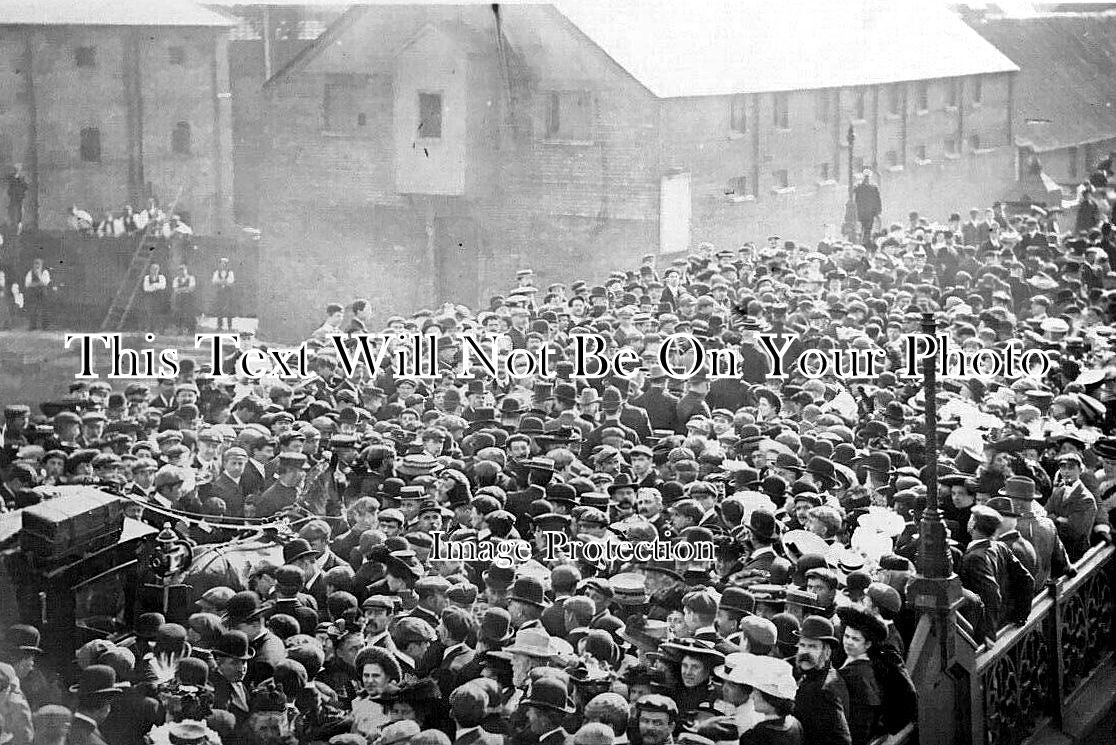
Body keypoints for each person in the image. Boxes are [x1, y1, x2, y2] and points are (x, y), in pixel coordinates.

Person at [853, 170, 881, 248]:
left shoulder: (873, 187)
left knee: (868, 228)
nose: (866, 178)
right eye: (865, 176)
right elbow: (853, 195)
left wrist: (877, 212)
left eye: (868, 177)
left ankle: (865, 242)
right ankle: (862, 241)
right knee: (862, 227)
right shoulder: (859, 186)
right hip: (861, 212)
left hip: (870, 212)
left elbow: (877, 199)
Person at [22, 258, 50, 331]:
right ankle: (33, 326)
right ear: (33, 264)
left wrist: (34, 283)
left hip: (43, 294)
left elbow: (45, 282)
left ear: (41, 264)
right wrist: (38, 284)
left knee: (44, 310)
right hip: (33, 294)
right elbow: (27, 284)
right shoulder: (30, 272)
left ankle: (45, 326)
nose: (37, 265)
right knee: (33, 309)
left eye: (38, 263)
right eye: (35, 263)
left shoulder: (45, 272)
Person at [140, 263, 167, 334]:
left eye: (156, 269)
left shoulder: (161, 277)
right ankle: (151, 329)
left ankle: (160, 330)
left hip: (159, 298)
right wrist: (156, 286)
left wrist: (153, 285)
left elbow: (163, 286)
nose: (154, 270)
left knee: (159, 313)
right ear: (150, 270)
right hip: (150, 298)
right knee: (150, 313)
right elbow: (146, 288)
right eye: (153, 269)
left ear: (158, 270)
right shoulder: (147, 277)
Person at [211, 258, 236, 332]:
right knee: (219, 308)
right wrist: (224, 281)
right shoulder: (216, 272)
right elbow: (214, 282)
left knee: (229, 309)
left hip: (228, 292)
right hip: (220, 292)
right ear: (220, 264)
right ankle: (219, 326)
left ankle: (229, 326)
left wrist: (221, 282)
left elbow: (231, 282)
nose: (223, 265)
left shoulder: (230, 272)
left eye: (225, 263)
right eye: (222, 263)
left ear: (227, 265)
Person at [171, 264, 198, 336]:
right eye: (180, 270)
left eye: (183, 270)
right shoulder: (176, 279)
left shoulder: (191, 278)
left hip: (189, 299)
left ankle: (191, 330)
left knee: (189, 313)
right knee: (179, 313)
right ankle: (180, 330)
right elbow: (175, 290)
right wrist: (185, 289)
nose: (182, 272)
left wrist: (181, 289)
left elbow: (191, 288)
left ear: (186, 270)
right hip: (179, 299)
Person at [6, 165, 27, 234]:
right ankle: (13, 225)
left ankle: (19, 225)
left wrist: (21, 191)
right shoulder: (11, 177)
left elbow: (25, 186)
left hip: (19, 197)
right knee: (12, 211)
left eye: (18, 169)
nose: (17, 170)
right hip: (13, 197)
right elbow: (10, 186)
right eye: (16, 169)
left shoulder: (21, 178)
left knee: (19, 211)